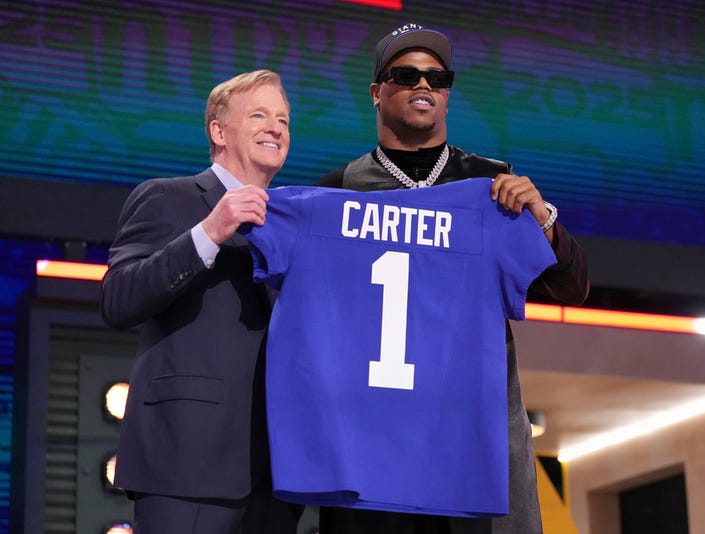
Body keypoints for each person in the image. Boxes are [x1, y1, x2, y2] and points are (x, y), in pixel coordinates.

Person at [315, 23, 589, 534]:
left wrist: (543, 220)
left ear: (447, 94)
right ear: (377, 92)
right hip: (373, 442)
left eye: (437, 78)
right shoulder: (337, 194)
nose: (424, 85)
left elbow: (570, 288)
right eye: (406, 74)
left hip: (474, 439)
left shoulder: (493, 186)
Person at [101, 69, 301, 533]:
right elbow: (118, 299)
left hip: (275, 474)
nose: (276, 128)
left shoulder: (292, 222)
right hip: (185, 464)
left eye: (284, 121)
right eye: (259, 115)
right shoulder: (166, 198)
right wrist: (209, 232)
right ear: (218, 130)